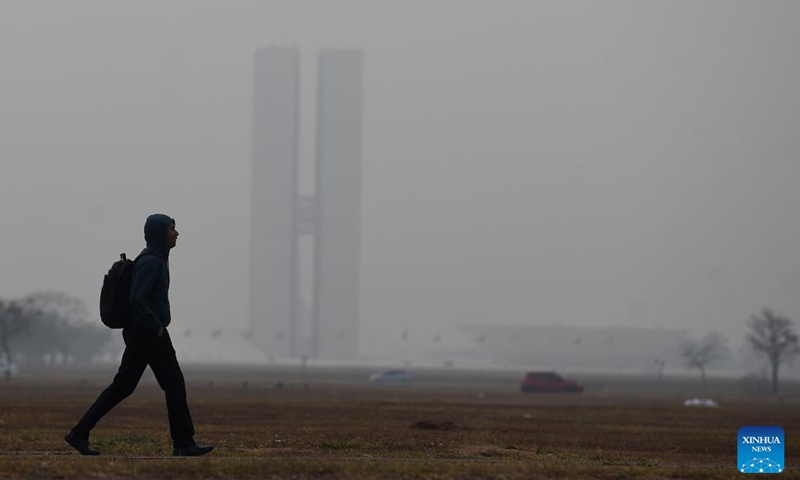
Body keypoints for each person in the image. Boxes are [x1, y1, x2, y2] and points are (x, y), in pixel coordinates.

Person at [65, 214, 213, 457]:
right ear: (159, 233)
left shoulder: (155, 259)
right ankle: (184, 443)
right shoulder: (151, 262)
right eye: (172, 229)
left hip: (142, 332)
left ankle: (79, 433)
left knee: (123, 386)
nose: (176, 233)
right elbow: (137, 298)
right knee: (174, 384)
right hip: (147, 333)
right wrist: (156, 326)